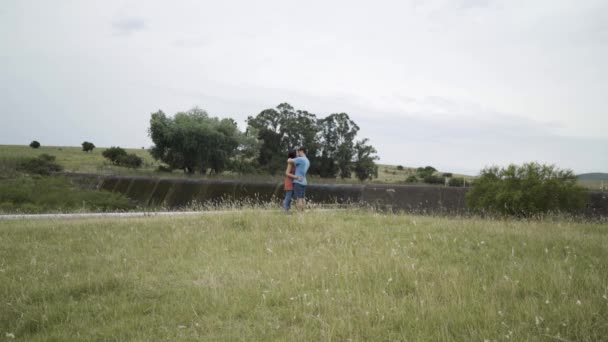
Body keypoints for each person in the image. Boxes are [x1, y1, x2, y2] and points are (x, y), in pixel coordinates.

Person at [288, 147, 310, 212]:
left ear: (301, 151)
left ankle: (299, 213)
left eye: (298, 152)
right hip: (304, 181)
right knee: (303, 198)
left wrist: (290, 157)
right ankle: (303, 212)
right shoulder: (307, 161)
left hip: (298, 181)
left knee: (298, 199)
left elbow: (289, 160)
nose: (297, 153)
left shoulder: (300, 159)